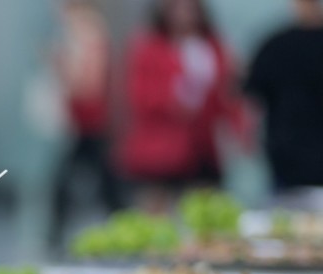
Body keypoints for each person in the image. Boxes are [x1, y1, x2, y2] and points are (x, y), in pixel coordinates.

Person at [117, 0, 248, 213]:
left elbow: (225, 94)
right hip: (161, 146)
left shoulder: (212, 46)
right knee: (156, 211)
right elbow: (139, 95)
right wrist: (173, 101)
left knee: (205, 210)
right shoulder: (150, 46)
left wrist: (238, 126)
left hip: (202, 144)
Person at [50, 0, 122, 241]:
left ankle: (56, 231)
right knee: (104, 178)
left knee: (82, 175)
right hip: (87, 119)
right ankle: (119, 223)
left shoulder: (87, 30)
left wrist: (62, 68)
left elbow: (89, 83)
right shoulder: (87, 29)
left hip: (91, 119)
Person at [245, 0, 323, 193]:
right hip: (288, 158)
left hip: (288, 154)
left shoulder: (274, 43)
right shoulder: (276, 45)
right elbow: (251, 99)